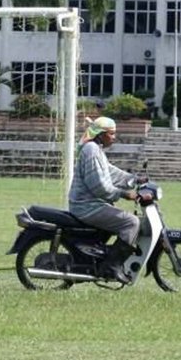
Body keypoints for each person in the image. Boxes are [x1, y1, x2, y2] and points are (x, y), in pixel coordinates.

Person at [68, 116, 150, 284]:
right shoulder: (91, 150)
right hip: (87, 206)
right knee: (131, 222)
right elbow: (99, 186)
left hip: (93, 205)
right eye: (111, 134)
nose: (114, 137)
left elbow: (111, 172)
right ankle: (112, 267)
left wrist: (135, 179)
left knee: (126, 220)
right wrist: (125, 194)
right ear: (101, 134)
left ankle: (105, 259)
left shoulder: (95, 149)